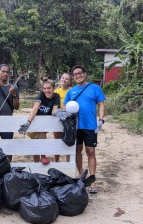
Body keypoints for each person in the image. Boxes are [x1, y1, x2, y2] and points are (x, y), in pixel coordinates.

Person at [64, 65, 106, 194]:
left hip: (90, 126)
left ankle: (92, 180)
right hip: (75, 126)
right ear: (73, 77)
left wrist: (101, 119)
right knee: (77, 150)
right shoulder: (71, 91)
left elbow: (101, 104)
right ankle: (81, 176)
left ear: (85, 74)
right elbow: (65, 106)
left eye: (80, 73)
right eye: (75, 74)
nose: (78, 75)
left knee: (91, 151)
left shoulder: (95, 88)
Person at [18, 77, 69, 164]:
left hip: (45, 122)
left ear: (53, 89)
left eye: (49, 88)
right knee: (35, 145)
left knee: (42, 132)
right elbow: (35, 108)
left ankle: (43, 156)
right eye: (44, 88)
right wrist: (28, 122)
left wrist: (57, 112)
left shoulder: (56, 96)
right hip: (35, 120)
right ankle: (36, 164)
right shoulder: (41, 95)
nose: (46, 91)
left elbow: (54, 110)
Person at [54, 73, 73, 162]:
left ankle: (68, 161)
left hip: (68, 119)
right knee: (57, 140)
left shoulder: (72, 91)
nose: (64, 80)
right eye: (62, 78)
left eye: (66, 79)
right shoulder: (56, 91)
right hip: (58, 119)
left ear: (69, 82)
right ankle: (57, 161)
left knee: (68, 139)